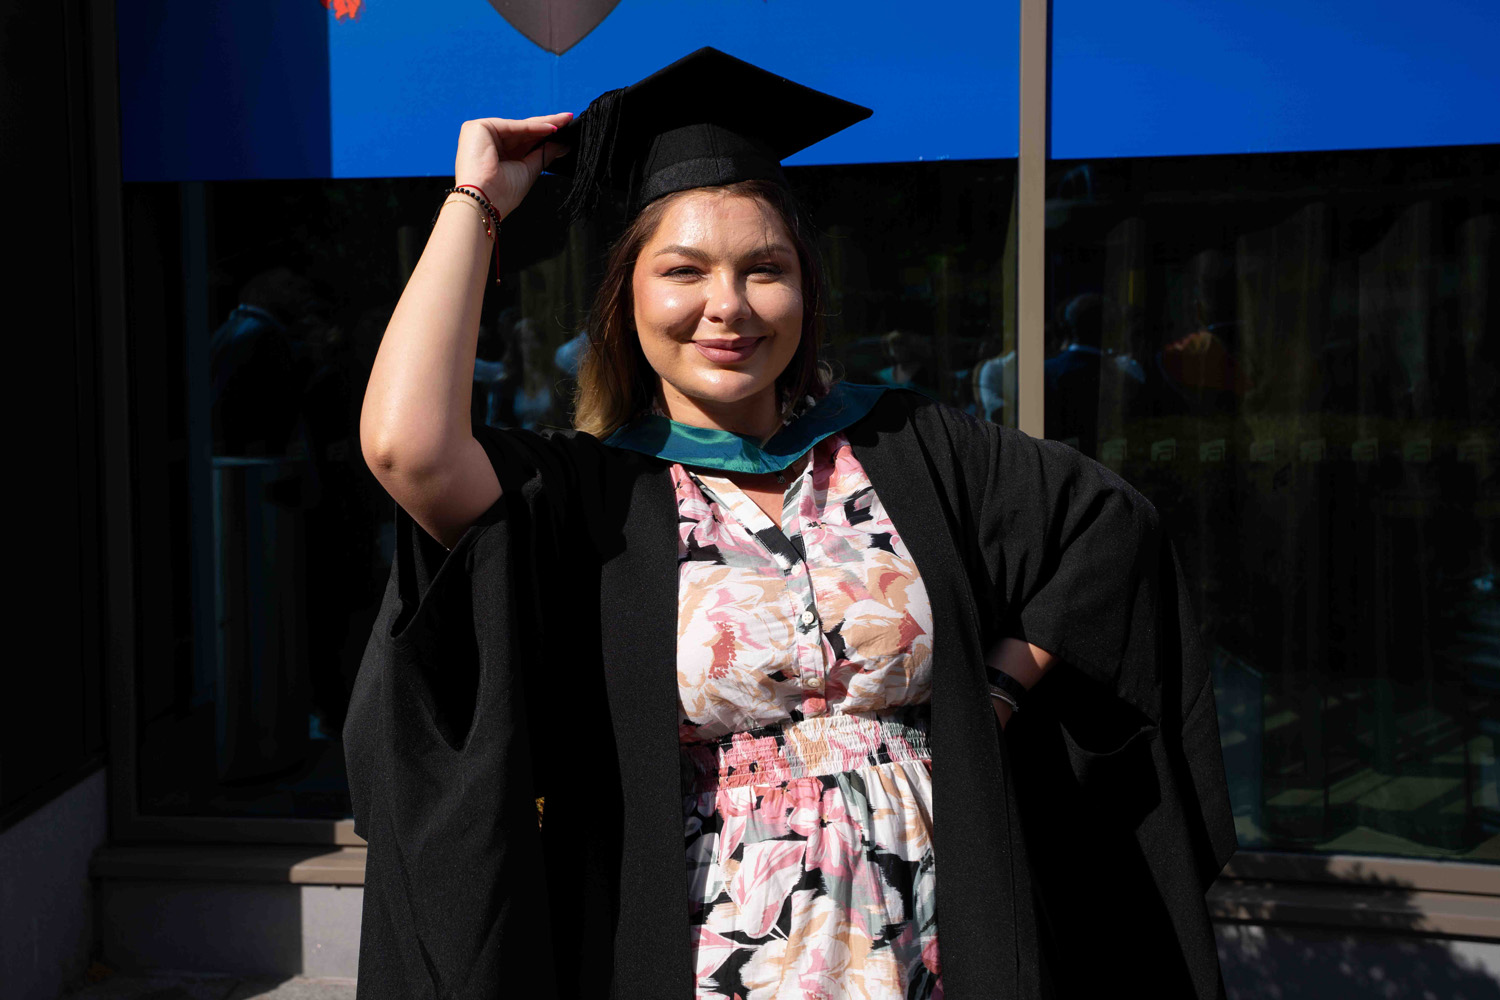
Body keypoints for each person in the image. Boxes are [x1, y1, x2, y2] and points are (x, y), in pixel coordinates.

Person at [347, 48, 1236, 1000]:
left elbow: (1108, 527)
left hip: (937, 942)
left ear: (805, 292)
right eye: (684, 271)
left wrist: (996, 690)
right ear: (627, 297)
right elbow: (407, 449)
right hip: (711, 959)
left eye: (764, 270)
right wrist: (477, 203)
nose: (728, 306)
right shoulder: (590, 495)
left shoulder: (906, 445)